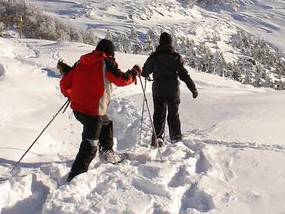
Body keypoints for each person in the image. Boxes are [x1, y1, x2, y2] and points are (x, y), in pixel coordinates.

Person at [59, 38, 141, 182]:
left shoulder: (81, 62)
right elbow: (122, 79)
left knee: (106, 124)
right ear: (110, 53)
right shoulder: (106, 63)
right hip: (93, 112)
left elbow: (65, 83)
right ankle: (74, 178)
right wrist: (134, 72)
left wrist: (71, 95)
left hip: (78, 110)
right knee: (89, 146)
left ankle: (107, 154)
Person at [142, 32, 197, 146]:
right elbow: (183, 74)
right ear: (171, 43)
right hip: (173, 91)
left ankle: (158, 139)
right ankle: (176, 139)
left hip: (158, 91)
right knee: (173, 116)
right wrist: (193, 88)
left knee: (159, 115)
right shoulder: (176, 57)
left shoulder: (154, 57)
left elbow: (145, 72)